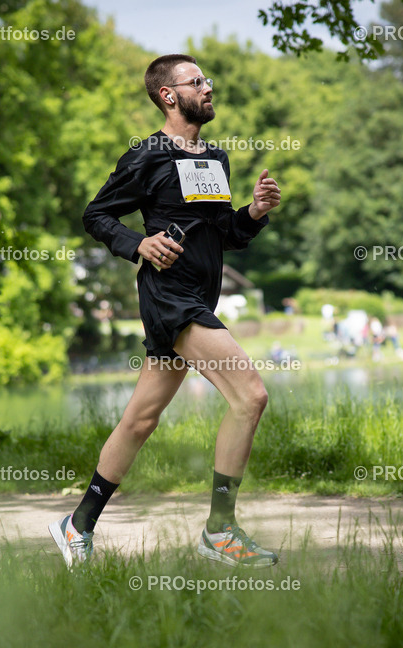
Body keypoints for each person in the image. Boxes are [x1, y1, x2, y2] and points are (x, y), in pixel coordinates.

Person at [50, 54, 282, 568]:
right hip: (169, 297)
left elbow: (223, 234)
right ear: (168, 95)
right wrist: (138, 244)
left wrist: (255, 213)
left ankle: (77, 523)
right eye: (197, 81)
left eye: (208, 80)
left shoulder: (215, 158)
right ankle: (220, 530)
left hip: (200, 295)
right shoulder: (146, 156)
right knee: (251, 395)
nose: (208, 87)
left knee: (141, 419)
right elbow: (97, 214)